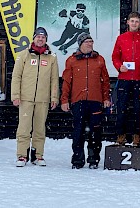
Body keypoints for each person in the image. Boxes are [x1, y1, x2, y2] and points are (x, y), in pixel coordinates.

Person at [60, 32, 111, 169]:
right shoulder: (72, 60)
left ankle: (93, 159)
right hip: (78, 101)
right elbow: (66, 82)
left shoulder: (99, 59)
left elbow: (105, 81)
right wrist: (64, 100)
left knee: (95, 132)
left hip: (95, 101)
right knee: (78, 131)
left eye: (91, 42)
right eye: (87, 42)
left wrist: (106, 98)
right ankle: (77, 160)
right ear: (80, 44)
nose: (90, 44)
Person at [11, 27, 59, 167]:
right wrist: (15, 95)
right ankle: (22, 156)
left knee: (39, 129)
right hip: (25, 98)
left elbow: (54, 79)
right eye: (38, 36)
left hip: (43, 99)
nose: (40, 39)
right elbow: (16, 76)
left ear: (46, 40)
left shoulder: (51, 57)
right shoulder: (24, 55)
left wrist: (54, 97)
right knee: (24, 128)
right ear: (33, 38)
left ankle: (38, 155)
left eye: (43, 37)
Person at [112, 11, 140, 146]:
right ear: (127, 22)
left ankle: (136, 136)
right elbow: (115, 56)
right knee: (121, 108)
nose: (134, 23)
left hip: (139, 79)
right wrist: (119, 66)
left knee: (137, 109)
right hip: (124, 78)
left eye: (137, 21)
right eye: (132, 21)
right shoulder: (121, 38)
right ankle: (121, 136)